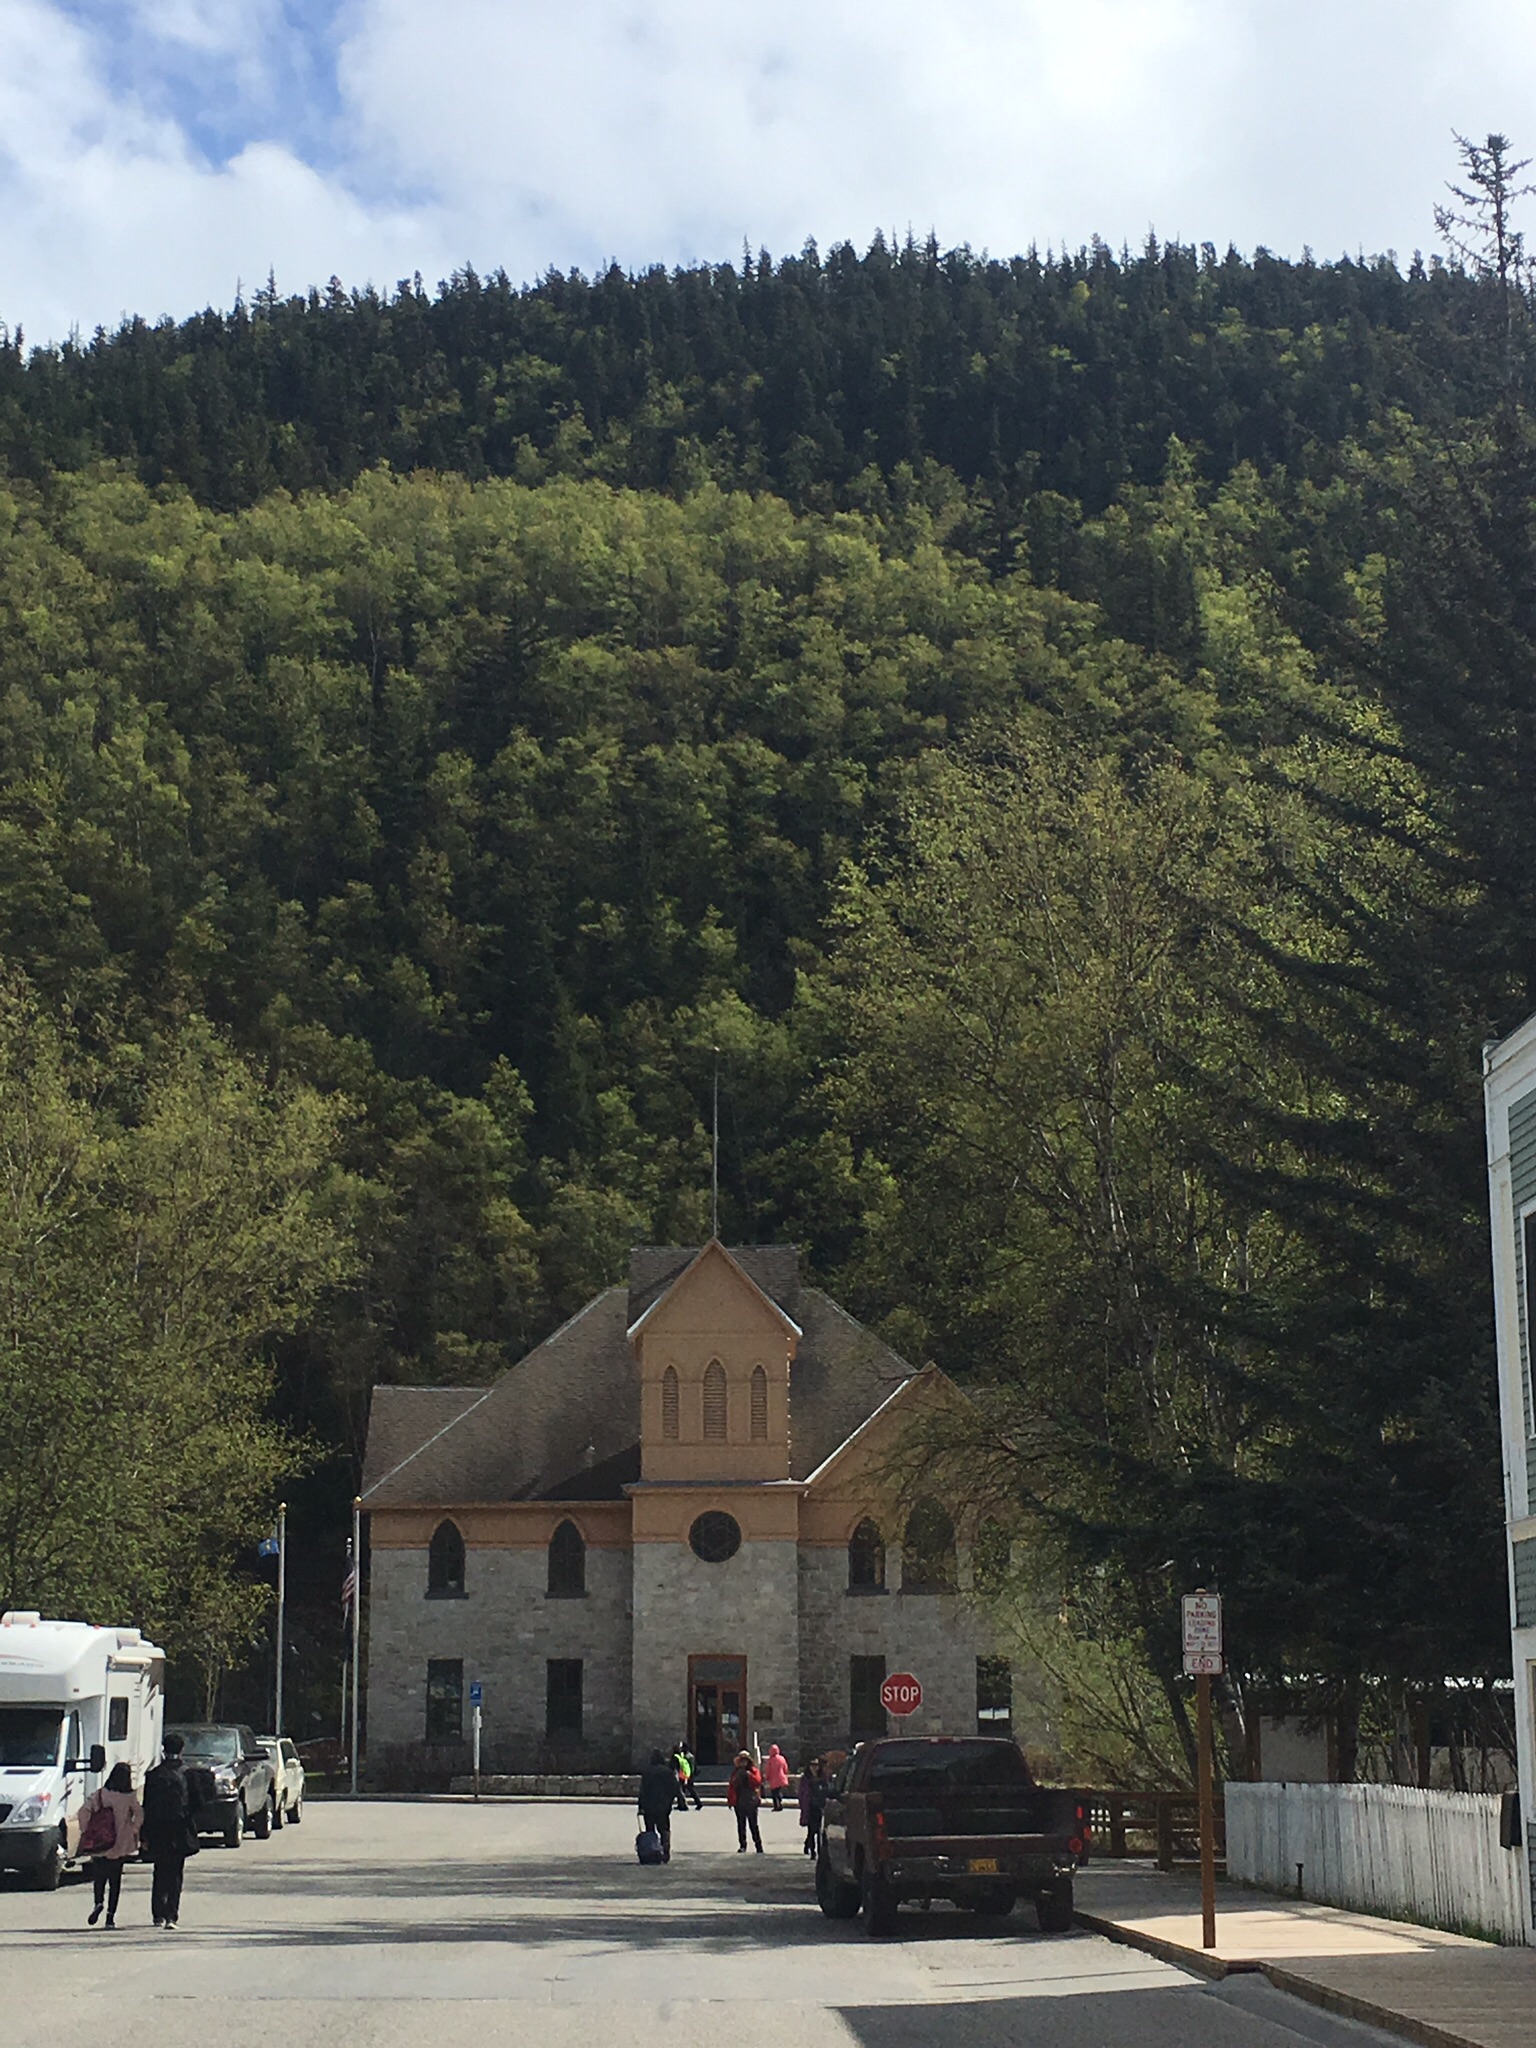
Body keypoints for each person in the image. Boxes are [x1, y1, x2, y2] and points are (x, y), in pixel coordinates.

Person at [141, 1732, 196, 1929]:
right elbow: (198, 1801)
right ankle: (171, 1916)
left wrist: (144, 1833)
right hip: (180, 1828)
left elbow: (146, 1806)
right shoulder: (188, 1774)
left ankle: (157, 1914)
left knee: (159, 1871)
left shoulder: (154, 1774)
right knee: (176, 1873)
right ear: (182, 1750)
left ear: (164, 1750)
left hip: (157, 1829)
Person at [78, 1762, 142, 1929]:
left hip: (101, 1842)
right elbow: (139, 1813)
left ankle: (98, 1902)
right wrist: (134, 1829)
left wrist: (86, 1829)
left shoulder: (101, 1794)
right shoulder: (129, 1796)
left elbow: (84, 1811)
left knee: (99, 1877)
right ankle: (110, 1917)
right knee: (115, 1881)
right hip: (119, 1844)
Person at [637, 1750, 677, 1863]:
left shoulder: (647, 1772)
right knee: (664, 1829)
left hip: (649, 1806)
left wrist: (640, 1806)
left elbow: (643, 1791)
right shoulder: (668, 1772)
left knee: (650, 1830)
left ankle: (653, 1851)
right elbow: (675, 1788)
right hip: (664, 1807)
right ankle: (666, 1850)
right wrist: (675, 1801)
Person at [727, 1749, 763, 1853]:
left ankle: (758, 1845)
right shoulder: (736, 1772)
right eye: (741, 1761)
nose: (743, 1763)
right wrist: (730, 1800)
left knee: (753, 1825)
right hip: (739, 1801)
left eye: (745, 1760)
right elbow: (732, 1786)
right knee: (741, 1825)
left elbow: (757, 1782)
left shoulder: (753, 1771)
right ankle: (743, 1845)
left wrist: (748, 1775)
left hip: (751, 1801)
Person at [799, 1757, 828, 1858]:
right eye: (812, 1765)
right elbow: (802, 1793)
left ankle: (819, 1851)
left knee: (819, 1831)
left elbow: (827, 1789)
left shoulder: (823, 1777)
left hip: (820, 1806)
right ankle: (812, 1851)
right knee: (811, 1830)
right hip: (810, 1806)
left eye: (816, 1765)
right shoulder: (806, 1778)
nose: (814, 1767)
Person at [671, 1739, 702, 1812]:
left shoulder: (687, 1756)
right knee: (684, 1789)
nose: (681, 1749)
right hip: (685, 1775)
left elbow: (691, 1767)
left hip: (687, 1775)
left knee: (689, 1789)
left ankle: (698, 1803)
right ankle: (681, 1804)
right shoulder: (687, 1756)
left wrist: (689, 1776)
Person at [763, 1743, 789, 1813]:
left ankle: (776, 1806)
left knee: (774, 1793)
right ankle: (780, 1802)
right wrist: (785, 1774)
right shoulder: (782, 1758)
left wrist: (767, 1777)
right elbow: (785, 1768)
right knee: (778, 1791)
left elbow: (768, 1770)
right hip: (781, 1778)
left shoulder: (771, 1760)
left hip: (773, 1779)